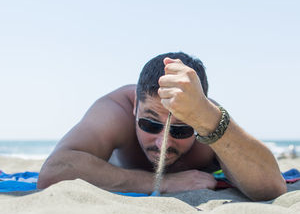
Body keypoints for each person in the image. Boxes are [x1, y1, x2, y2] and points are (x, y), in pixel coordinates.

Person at [37, 52, 286, 201]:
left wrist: (209, 120)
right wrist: (162, 183)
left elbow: (272, 186)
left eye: (180, 129)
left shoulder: (208, 119)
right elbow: (55, 170)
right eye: (150, 123)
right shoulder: (115, 110)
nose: (162, 141)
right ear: (134, 107)